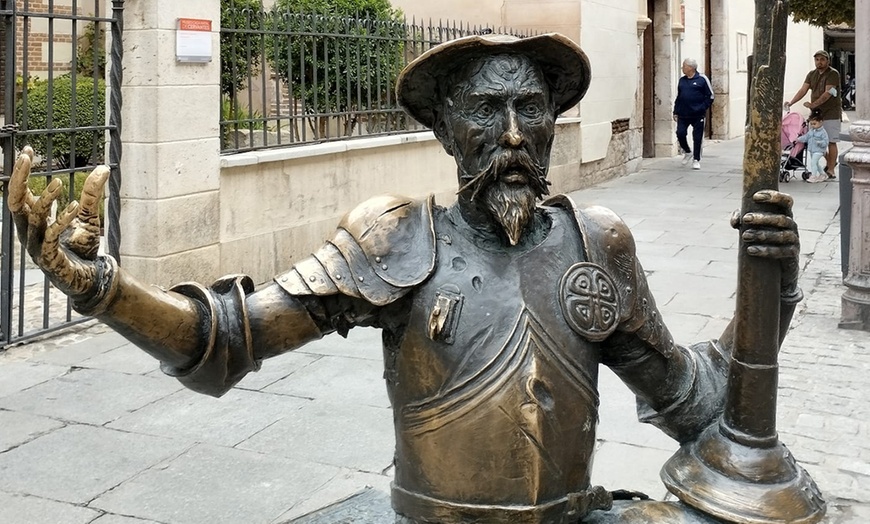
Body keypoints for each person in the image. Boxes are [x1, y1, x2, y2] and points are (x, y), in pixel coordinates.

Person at [8, 33, 802, 524]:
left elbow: (695, 403)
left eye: (532, 109)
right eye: (488, 113)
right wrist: (100, 289)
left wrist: (774, 287)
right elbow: (227, 338)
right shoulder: (395, 238)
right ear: (446, 128)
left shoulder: (598, 244)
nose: (515, 135)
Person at [785, 49, 842, 179]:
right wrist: (792, 102)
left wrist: (813, 104)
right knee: (815, 141)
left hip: (831, 112)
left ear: (827, 61)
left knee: (831, 141)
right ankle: (830, 161)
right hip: (816, 114)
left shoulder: (833, 74)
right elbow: (803, 89)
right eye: (817, 59)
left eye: (822, 59)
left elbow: (828, 93)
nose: (819, 62)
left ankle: (831, 169)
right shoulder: (811, 74)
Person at [673, 58, 714, 170]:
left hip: (698, 115)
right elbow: (679, 97)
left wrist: (702, 108)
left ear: (690, 68)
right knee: (680, 133)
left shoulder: (702, 79)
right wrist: (676, 111)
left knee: (697, 137)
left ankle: (696, 159)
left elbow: (710, 96)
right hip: (683, 114)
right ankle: (687, 151)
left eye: (684, 66)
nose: (682, 68)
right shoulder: (682, 80)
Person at [797, 112, 830, 183]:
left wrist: (820, 143)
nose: (812, 126)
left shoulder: (823, 132)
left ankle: (814, 176)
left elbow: (826, 142)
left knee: (813, 162)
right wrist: (798, 139)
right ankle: (823, 174)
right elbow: (806, 137)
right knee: (816, 163)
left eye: (814, 124)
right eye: (811, 124)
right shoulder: (811, 131)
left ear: (821, 122)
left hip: (819, 150)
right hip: (812, 150)